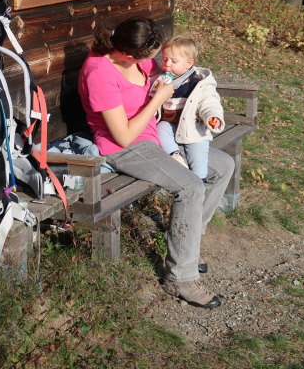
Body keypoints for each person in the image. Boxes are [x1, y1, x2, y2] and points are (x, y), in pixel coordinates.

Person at [78, 17, 234, 309]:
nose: (154, 63)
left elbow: (174, 76)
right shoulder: (99, 73)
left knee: (223, 166)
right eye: (151, 58)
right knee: (189, 187)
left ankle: (188, 242)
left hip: (160, 135)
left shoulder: (137, 56)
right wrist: (158, 99)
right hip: (125, 147)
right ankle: (180, 278)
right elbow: (122, 136)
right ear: (127, 53)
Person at [156, 36, 225, 181]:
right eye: (164, 59)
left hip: (192, 126)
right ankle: (175, 157)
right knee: (160, 129)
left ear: (189, 64)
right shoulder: (161, 79)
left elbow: (209, 101)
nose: (167, 64)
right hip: (170, 123)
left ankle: (200, 180)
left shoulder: (198, 83)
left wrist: (212, 116)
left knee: (198, 153)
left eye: (174, 61)